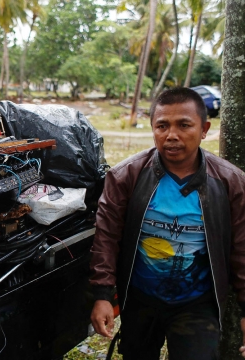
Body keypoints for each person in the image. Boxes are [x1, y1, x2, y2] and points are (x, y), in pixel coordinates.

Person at [89, 87, 245, 359]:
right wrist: (103, 294)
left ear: (204, 129)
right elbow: (106, 237)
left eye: (184, 125)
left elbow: (243, 248)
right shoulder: (126, 176)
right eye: (162, 125)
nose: (172, 135)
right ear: (153, 128)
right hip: (140, 298)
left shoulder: (230, 182)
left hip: (196, 303)